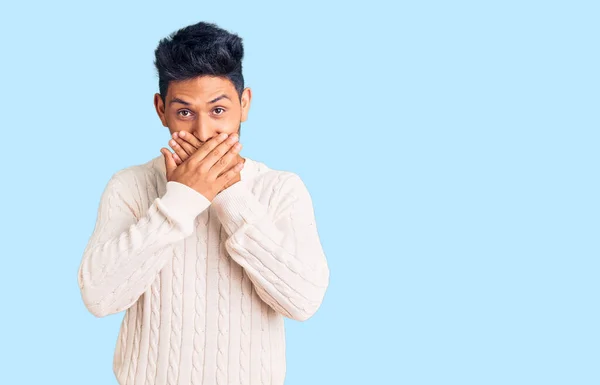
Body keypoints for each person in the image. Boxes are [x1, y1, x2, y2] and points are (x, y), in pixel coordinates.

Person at [77, 21, 330, 385]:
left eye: (217, 111)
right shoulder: (129, 186)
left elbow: (303, 302)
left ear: (244, 105)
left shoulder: (281, 188)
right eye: (184, 113)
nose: (203, 132)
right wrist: (180, 200)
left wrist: (228, 193)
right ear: (160, 109)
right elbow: (100, 299)